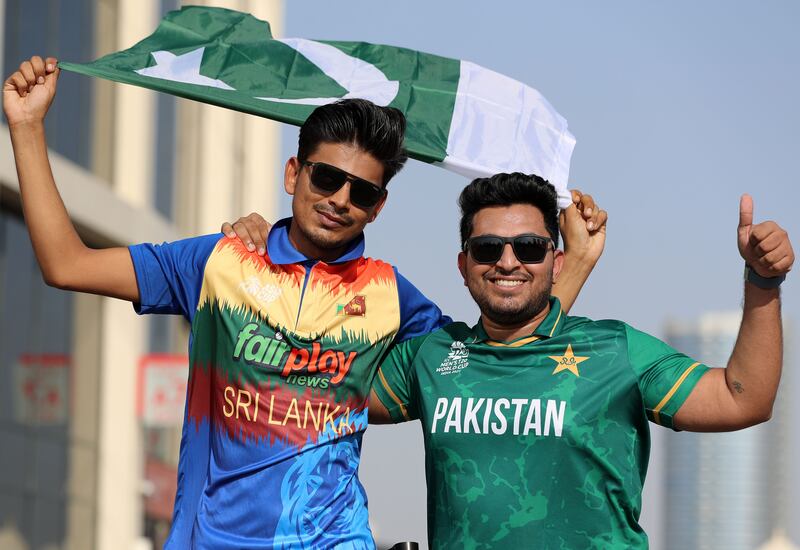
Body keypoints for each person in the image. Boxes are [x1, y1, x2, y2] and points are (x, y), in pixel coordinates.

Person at [4, 57, 606, 548]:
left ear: (378, 207)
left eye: (362, 190)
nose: (340, 198)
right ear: (293, 172)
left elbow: (498, 359)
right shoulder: (218, 260)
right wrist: (28, 128)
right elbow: (67, 264)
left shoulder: (390, 295)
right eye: (325, 178)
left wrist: (571, 263)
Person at [367, 173, 792, 548]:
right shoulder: (431, 356)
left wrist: (763, 281)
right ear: (464, 265)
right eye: (487, 248)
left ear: (557, 263)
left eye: (531, 248)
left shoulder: (613, 349)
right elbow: (324, 402)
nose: (508, 261)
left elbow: (743, 399)